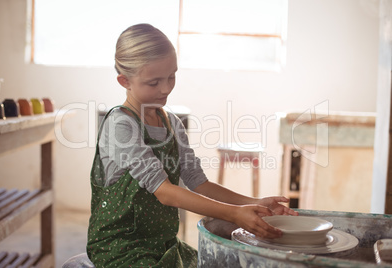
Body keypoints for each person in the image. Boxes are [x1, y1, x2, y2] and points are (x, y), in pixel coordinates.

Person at [86, 23, 298, 268]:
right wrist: (234, 214)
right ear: (125, 81)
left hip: (162, 244)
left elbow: (198, 182)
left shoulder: (171, 123)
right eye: (154, 82)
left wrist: (253, 203)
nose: (166, 88)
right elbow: (164, 191)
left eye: (171, 77)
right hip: (120, 247)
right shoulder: (120, 125)